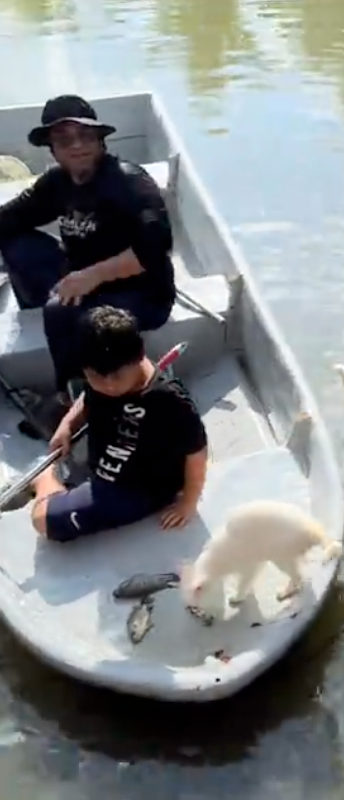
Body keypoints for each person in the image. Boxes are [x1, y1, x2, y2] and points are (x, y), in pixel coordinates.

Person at [0, 94, 176, 426]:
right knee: (15, 241)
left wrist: (91, 277)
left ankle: (73, 399)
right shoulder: (56, 183)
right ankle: (37, 309)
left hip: (144, 292)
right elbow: (10, 218)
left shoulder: (128, 181)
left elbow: (155, 249)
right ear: (51, 148)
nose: (77, 146)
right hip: (84, 275)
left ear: (101, 140)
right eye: (64, 139)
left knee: (59, 310)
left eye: (86, 136)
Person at [28, 305, 208, 542]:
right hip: (102, 463)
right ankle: (66, 484)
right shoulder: (100, 371)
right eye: (96, 378)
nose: (109, 386)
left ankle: (44, 479)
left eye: (118, 377)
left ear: (139, 355)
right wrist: (68, 424)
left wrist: (188, 502)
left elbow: (198, 453)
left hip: (138, 489)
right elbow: (88, 396)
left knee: (42, 520)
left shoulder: (171, 401)